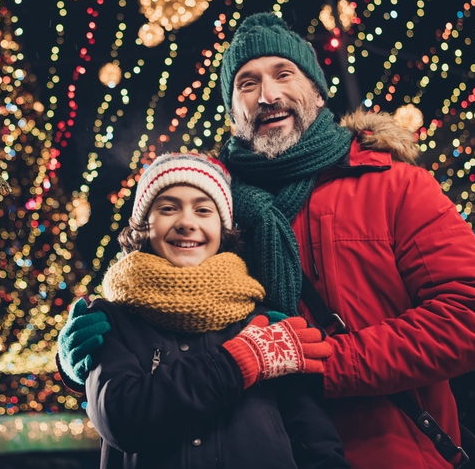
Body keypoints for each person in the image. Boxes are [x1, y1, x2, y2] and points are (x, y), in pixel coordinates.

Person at [58, 12, 475, 468]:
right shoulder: (210, 203)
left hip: (389, 451)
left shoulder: (394, 185)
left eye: (283, 74)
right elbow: (164, 316)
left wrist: (321, 362)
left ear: (316, 91)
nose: (267, 94)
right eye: (247, 83)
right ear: (234, 107)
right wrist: (88, 362)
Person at [84, 152, 349, 468]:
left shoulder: (263, 321)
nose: (186, 222)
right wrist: (239, 362)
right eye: (168, 208)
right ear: (143, 225)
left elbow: (313, 437)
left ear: (224, 229)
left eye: (203, 210)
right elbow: (121, 419)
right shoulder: (109, 318)